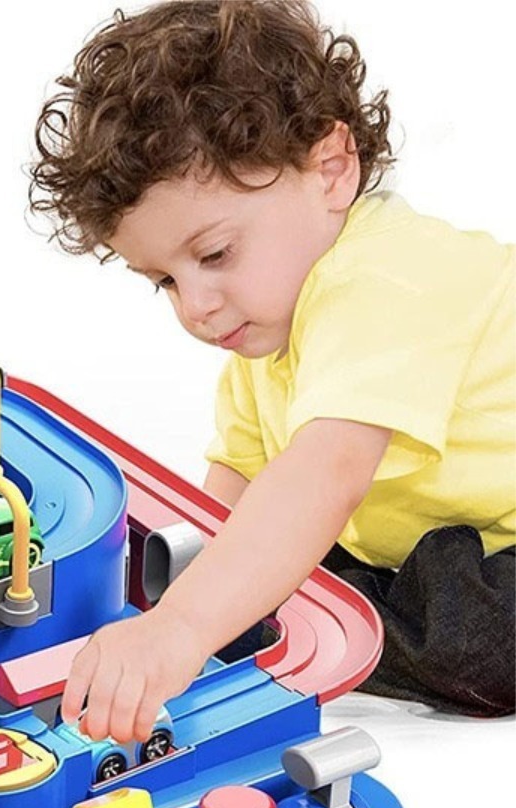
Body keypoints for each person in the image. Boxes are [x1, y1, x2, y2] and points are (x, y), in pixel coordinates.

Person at [29, 0, 515, 739]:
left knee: (475, 641)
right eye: (164, 281)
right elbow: (233, 492)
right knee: (251, 570)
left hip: (495, 546)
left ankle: (330, 611)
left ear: (331, 169)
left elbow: (324, 472)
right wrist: (168, 597)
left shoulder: (383, 278)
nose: (196, 306)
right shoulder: (265, 328)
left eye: (215, 254)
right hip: (425, 539)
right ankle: (312, 600)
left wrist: (184, 627)